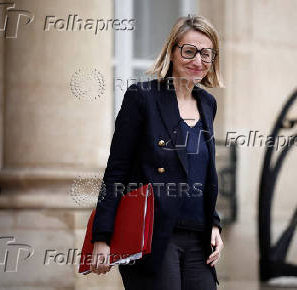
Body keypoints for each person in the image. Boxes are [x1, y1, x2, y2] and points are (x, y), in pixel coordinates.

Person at [89, 14, 224, 290]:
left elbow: (201, 171)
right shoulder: (142, 97)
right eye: (189, 51)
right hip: (154, 236)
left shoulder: (207, 104)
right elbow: (117, 171)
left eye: (206, 54)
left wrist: (214, 225)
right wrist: (101, 237)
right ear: (172, 52)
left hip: (199, 240)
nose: (198, 61)